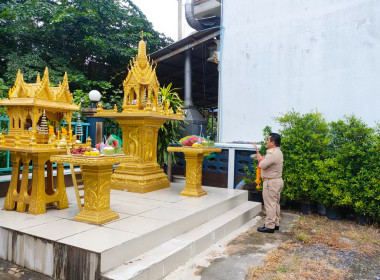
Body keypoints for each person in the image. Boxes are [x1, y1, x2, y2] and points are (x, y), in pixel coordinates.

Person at [254, 133, 284, 234]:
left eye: (268, 140)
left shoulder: (272, 153)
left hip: (271, 182)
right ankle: (275, 223)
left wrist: (259, 158)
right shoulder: (278, 152)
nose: (267, 142)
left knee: (270, 204)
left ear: (272, 143)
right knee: (275, 203)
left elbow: (262, 165)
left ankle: (269, 226)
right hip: (276, 181)